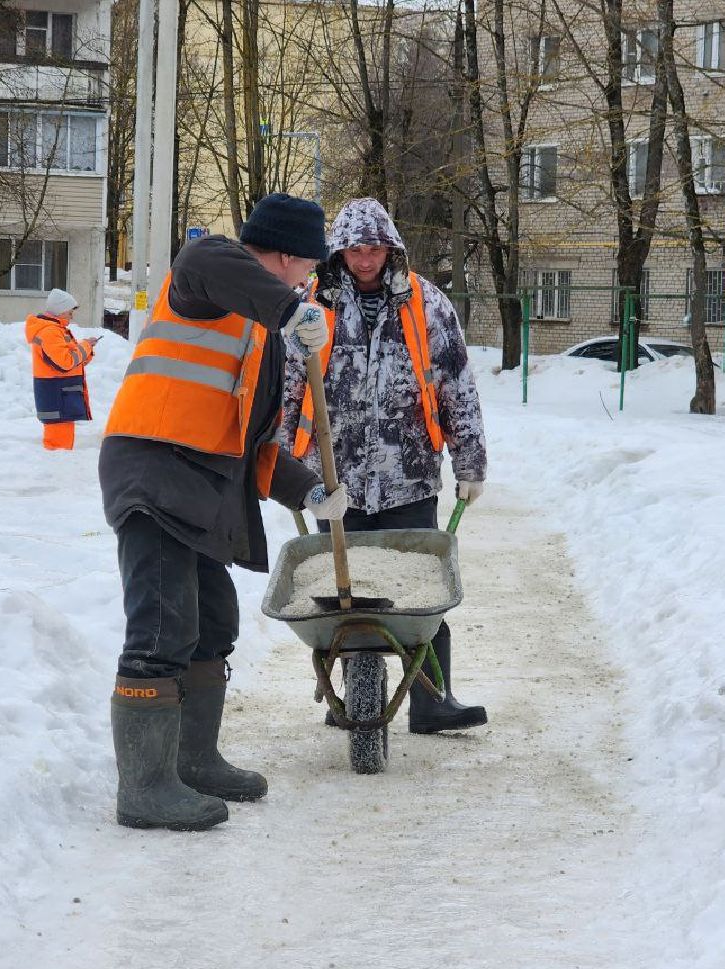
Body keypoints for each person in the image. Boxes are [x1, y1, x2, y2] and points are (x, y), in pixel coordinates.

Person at [99, 193, 347, 831]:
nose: (308, 281)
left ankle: (195, 760)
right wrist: (291, 308)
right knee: (162, 625)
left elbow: (253, 444)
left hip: (205, 485)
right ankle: (146, 788)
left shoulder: (259, 335)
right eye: (306, 269)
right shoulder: (211, 270)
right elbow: (205, 259)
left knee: (212, 623)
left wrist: (309, 490)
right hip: (154, 470)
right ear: (287, 256)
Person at [281, 197, 489, 734]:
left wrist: (470, 462)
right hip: (334, 475)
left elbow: (456, 385)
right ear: (340, 250)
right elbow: (286, 385)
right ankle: (349, 697)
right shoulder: (310, 303)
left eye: (374, 248)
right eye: (354, 249)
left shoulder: (429, 304)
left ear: (390, 247)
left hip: (409, 474)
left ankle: (432, 699)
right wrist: (277, 462)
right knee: (340, 594)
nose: (365, 259)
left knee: (423, 596)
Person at [27, 288, 100, 451]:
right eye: (69, 312)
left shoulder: (57, 331)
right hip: (57, 396)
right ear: (60, 311)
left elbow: (73, 359)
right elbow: (66, 362)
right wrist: (86, 346)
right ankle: (54, 475)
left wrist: (87, 348)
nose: (72, 316)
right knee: (58, 450)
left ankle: (57, 473)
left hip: (61, 396)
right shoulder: (50, 332)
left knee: (61, 447)